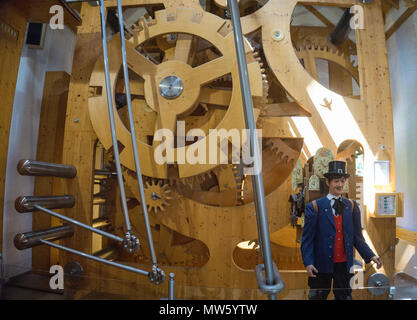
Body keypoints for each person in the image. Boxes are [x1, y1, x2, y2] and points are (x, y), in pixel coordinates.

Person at [301, 160, 382, 300]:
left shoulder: (351, 206)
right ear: (328, 183)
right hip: (320, 265)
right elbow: (307, 240)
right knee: (317, 297)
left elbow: (357, 237)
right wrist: (308, 262)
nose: (339, 185)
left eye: (342, 181)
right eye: (336, 181)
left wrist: (370, 255)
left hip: (344, 265)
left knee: (344, 297)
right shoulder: (314, 207)